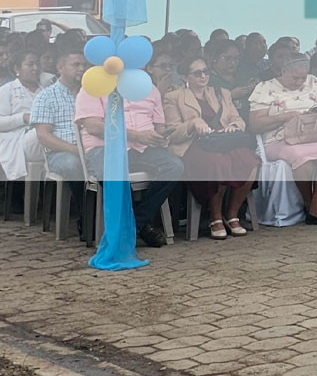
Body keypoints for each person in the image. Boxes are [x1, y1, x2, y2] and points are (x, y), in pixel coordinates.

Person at [74, 79, 184, 248]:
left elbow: (159, 126)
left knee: (174, 166)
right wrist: (136, 135)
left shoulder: (149, 88)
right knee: (114, 173)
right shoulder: (94, 86)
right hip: (104, 148)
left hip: (142, 148)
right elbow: (94, 127)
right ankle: (141, 226)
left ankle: (135, 224)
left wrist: (162, 136)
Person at [164, 56, 258, 240]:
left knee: (251, 161)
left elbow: (238, 119)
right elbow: (172, 133)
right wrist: (192, 124)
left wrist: (235, 126)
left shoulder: (221, 93)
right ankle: (215, 217)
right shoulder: (173, 97)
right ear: (185, 77)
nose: (203, 76)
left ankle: (232, 213)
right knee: (217, 162)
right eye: (197, 73)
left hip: (223, 141)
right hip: (193, 145)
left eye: (205, 71)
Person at [248, 52, 317, 226]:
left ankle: (315, 206)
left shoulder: (312, 82)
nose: (299, 82)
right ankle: (309, 204)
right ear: (283, 71)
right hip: (278, 139)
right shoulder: (265, 88)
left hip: (311, 136)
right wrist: (286, 116)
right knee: (303, 159)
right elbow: (255, 124)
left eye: (302, 78)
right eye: (295, 78)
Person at [31, 50, 88, 235]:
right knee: (73, 164)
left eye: (83, 65)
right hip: (61, 152)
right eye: (75, 65)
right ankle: (86, 216)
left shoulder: (91, 94)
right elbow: (43, 136)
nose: (81, 69)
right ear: (60, 67)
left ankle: (112, 218)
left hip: (91, 148)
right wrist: (75, 150)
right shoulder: (46, 96)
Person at [0, 50, 46, 180]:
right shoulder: (6, 90)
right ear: (17, 68)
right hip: (17, 140)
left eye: (37, 64)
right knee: (41, 132)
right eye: (30, 64)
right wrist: (23, 118)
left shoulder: (45, 91)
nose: (35, 68)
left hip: (42, 141)